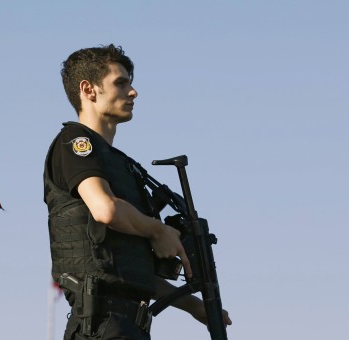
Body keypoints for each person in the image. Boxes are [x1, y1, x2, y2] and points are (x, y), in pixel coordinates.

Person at [43, 44, 231, 339]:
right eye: (121, 83)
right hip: (100, 324)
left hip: (128, 325)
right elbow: (105, 209)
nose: (133, 92)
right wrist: (158, 230)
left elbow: (131, 273)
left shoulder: (120, 165)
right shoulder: (75, 141)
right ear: (88, 90)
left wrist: (196, 307)